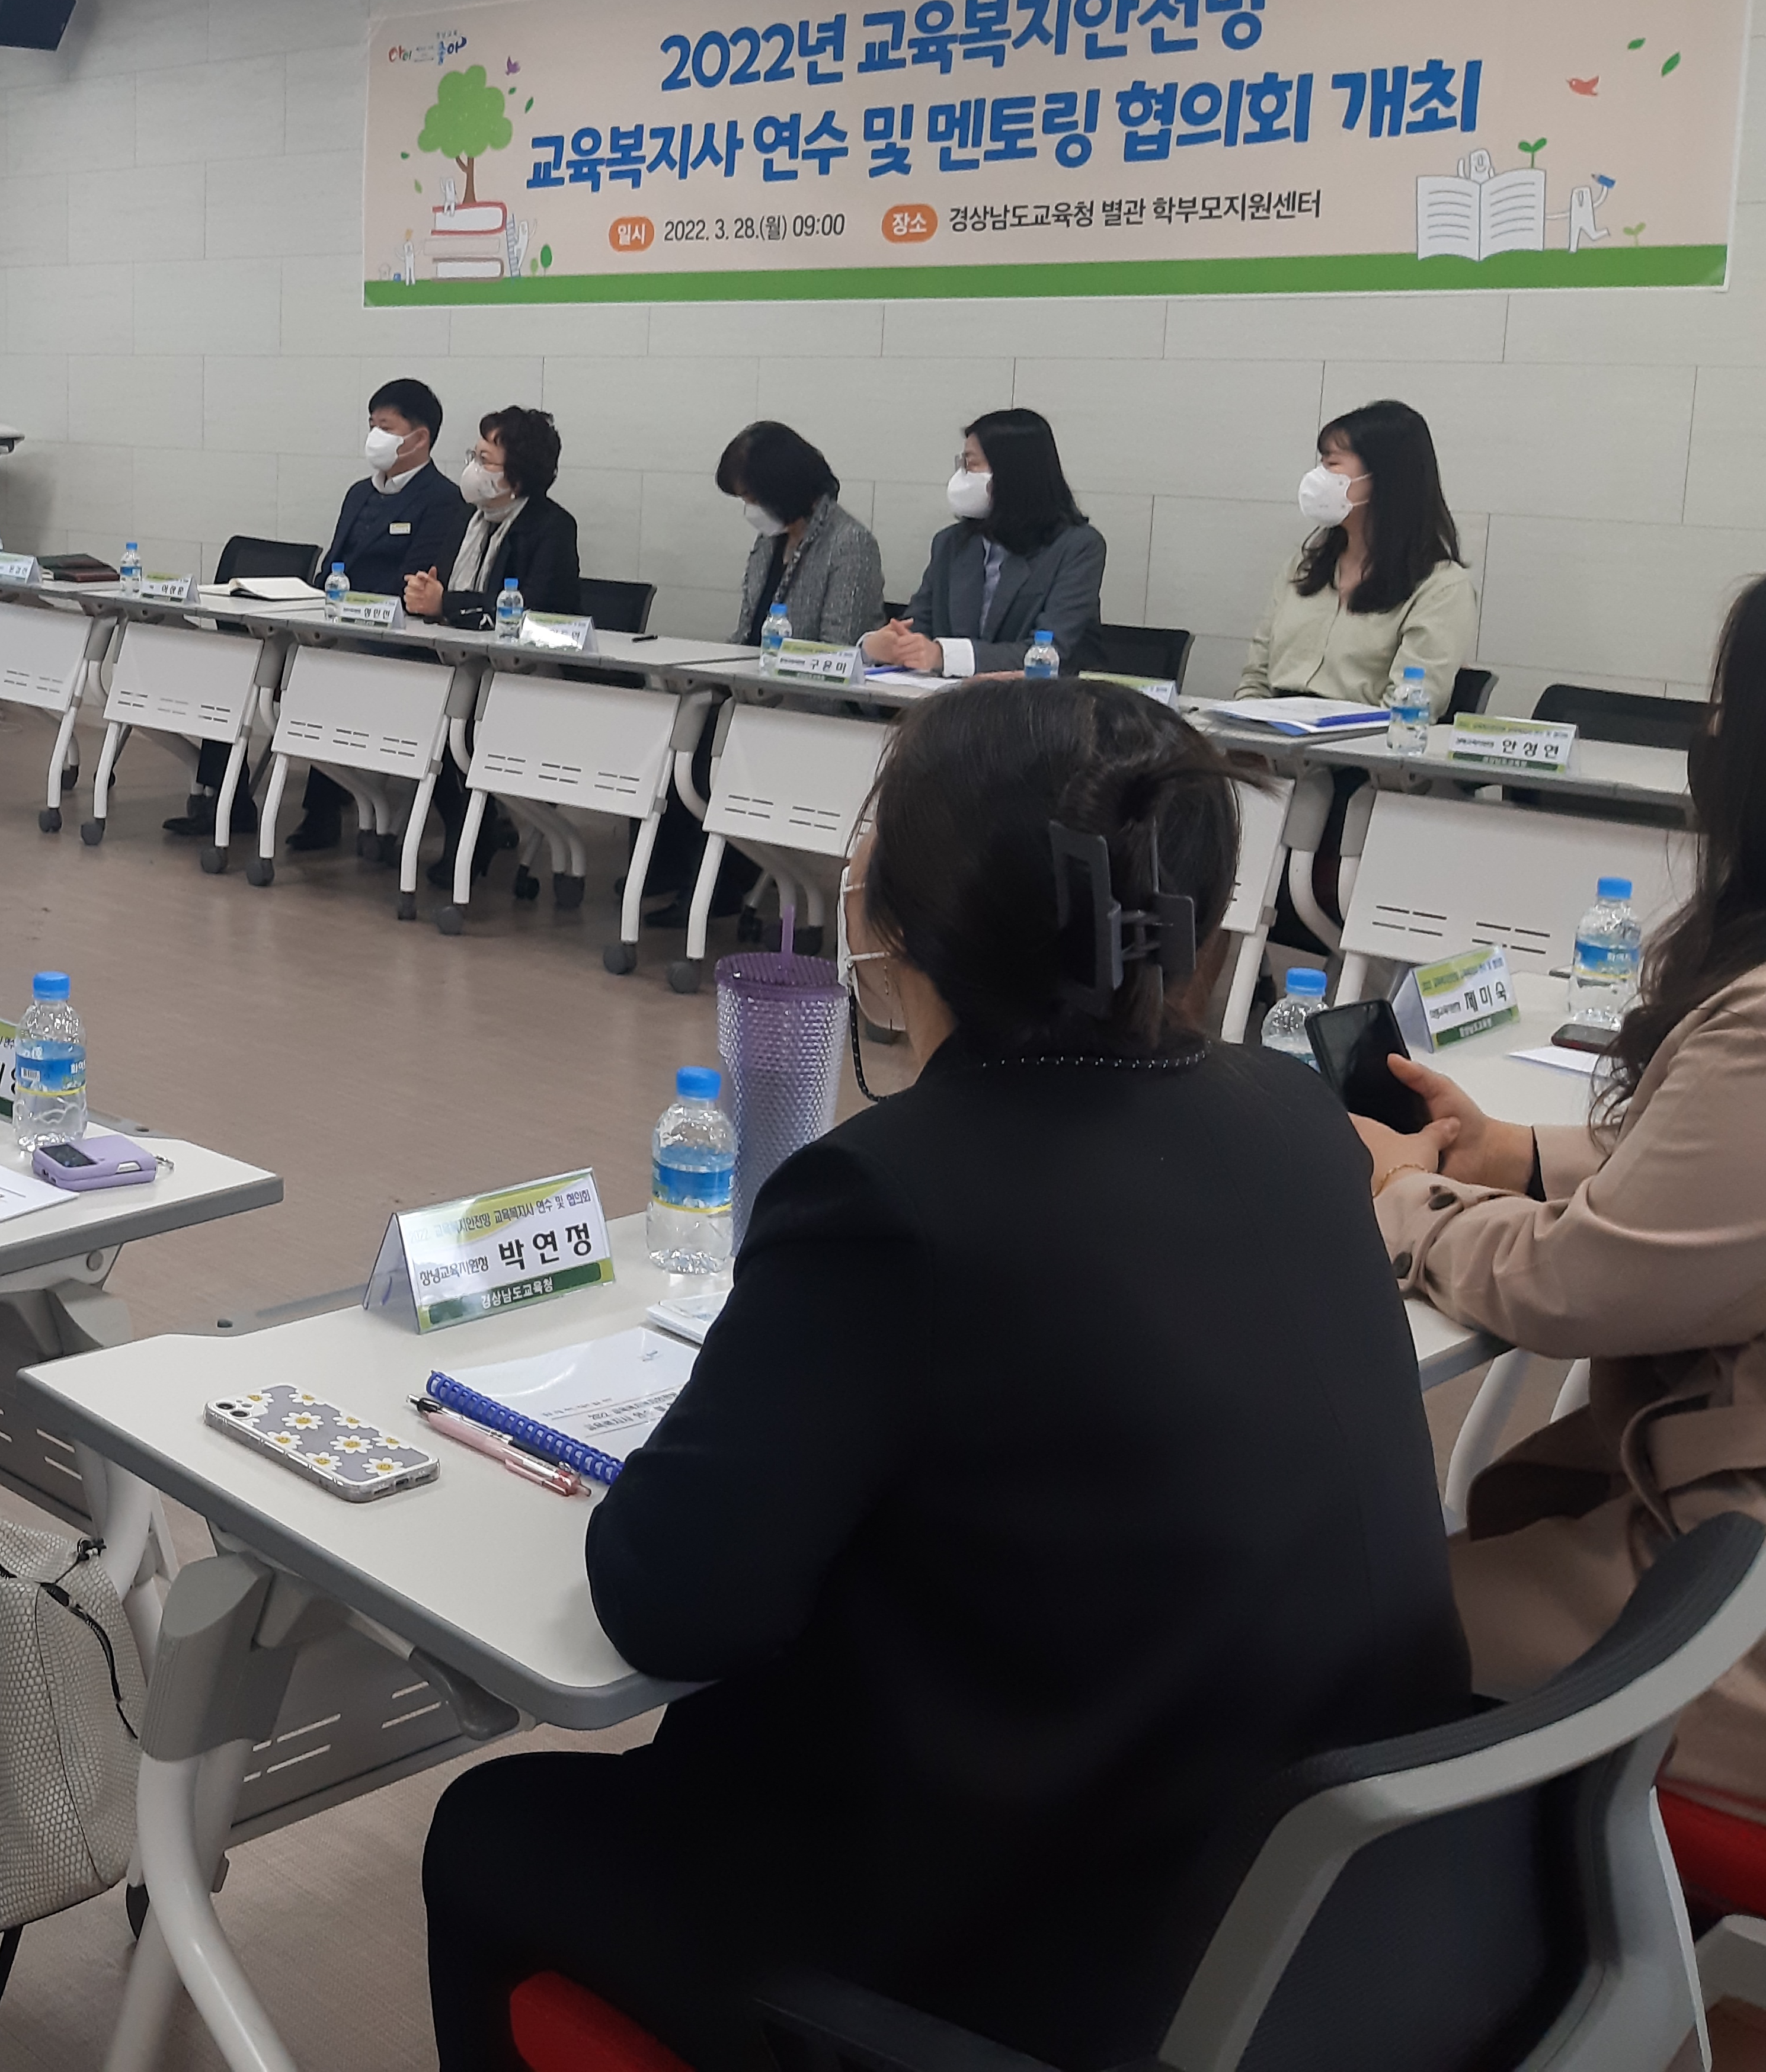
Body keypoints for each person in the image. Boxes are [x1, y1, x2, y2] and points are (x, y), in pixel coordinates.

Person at [424, 681, 1467, 2072]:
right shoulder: (1290, 1111)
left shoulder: (888, 1194)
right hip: (1327, 1907)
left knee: (492, 1833)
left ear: (886, 913)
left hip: (1030, 1958)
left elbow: (668, 1600)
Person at [1357, 574, 1766, 1812]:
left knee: (1311, 1621)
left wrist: (1409, 1201)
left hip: (1735, 1603)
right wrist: (1518, 1157)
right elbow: (1728, 1178)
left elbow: (1574, 1287)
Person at [168, 377, 469, 847]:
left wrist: (347, 605)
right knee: (240, 661)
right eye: (372, 426)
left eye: (385, 427)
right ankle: (226, 800)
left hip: (392, 641)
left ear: (420, 437)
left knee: (323, 666)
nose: (375, 437)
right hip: (334, 625)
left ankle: (322, 811)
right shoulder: (359, 493)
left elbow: (417, 583)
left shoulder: (444, 501)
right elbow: (334, 565)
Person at [1236, 399, 1477, 707]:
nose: (1318, 478)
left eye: (1332, 464)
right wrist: (1246, 739)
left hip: (1358, 748)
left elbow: (1407, 707)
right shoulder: (1305, 566)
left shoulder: (1440, 587)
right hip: (1271, 740)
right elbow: (1255, 676)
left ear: (1384, 479)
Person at [861, 408, 1103, 677]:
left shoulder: (1078, 547)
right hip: (951, 705)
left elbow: (1050, 651)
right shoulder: (950, 543)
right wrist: (878, 646)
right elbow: (917, 626)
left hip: (1040, 708)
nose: (962, 475)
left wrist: (944, 656)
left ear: (1012, 473)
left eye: (971, 464)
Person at [403, 406, 578, 625]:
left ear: (517, 477)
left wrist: (445, 603)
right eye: (473, 457)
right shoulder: (467, 516)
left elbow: (533, 610)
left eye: (484, 461)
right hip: (451, 646)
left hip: (517, 657)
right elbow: (438, 582)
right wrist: (422, 592)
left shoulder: (552, 527)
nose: (473, 469)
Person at [715, 419, 882, 647]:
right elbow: (746, 632)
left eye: (751, 497)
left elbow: (839, 649)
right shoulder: (769, 540)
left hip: (796, 681)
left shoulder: (850, 544)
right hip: (751, 677)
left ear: (780, 488)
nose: (750, 507)